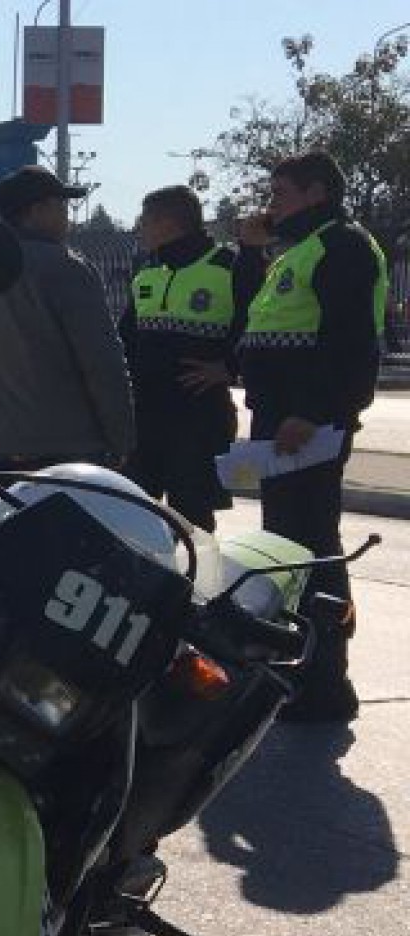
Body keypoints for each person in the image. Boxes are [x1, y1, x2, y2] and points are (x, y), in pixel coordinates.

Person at [236, 151, 388, 723]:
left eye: (281, 194)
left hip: (308, 426)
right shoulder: (295, 251)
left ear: (317, 192)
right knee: (284, 547)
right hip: (280, 423)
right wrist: (251, 252)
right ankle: (295, 668)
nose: (270, 204)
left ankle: (327, 680)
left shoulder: (343, 246)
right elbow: (253, 322)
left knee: (314, 550)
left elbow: (352, 342)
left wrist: (315, 410)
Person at [0, 165, 134, 471]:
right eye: (61, 205)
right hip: (58, 451)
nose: (68, 216)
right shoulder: (65, 268)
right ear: (37, 210)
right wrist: (121, 440)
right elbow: (102, 364)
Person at [119, 185, 251, 531]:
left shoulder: (229, 266)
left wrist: (229, 368)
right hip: (146, 418)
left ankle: (197, 585)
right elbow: (125, 340)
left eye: (144, 220)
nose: (139, 229)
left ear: (169, 223)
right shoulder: (147, 271)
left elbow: (257, 326)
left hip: (199, 417)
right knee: (131, 515)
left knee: (192, 522)